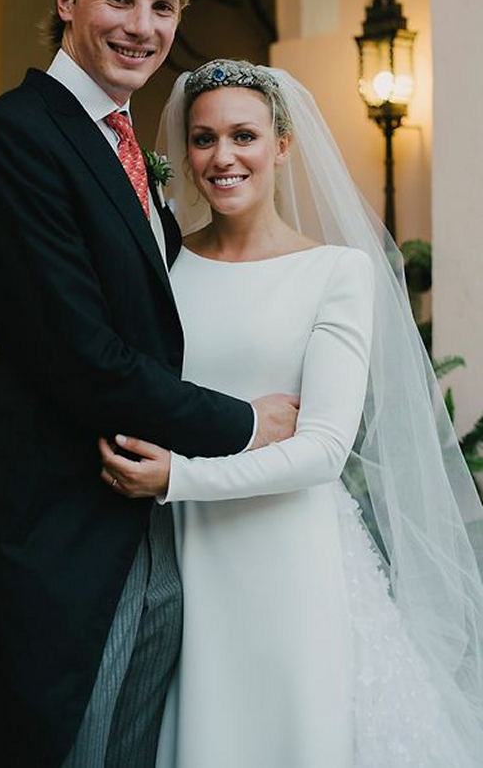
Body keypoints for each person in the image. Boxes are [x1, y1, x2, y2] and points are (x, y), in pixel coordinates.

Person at [0, 0, 297, 768]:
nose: (144, 25)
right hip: (53, 541)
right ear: (66, 1)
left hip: (151, 524)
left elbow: (147, 319)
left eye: (164, 5)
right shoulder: (12, 137)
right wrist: (246, 425)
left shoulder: (131, 149)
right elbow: (81, 353)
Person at [91, 59, 483, 766]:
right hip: (175, 553)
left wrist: (177, 476)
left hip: (285, 555)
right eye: (204, 139)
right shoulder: (163, 266)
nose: (223, 157)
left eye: (244, 135)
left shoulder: (335, 272)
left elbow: (323, 449)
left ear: (282, 144)